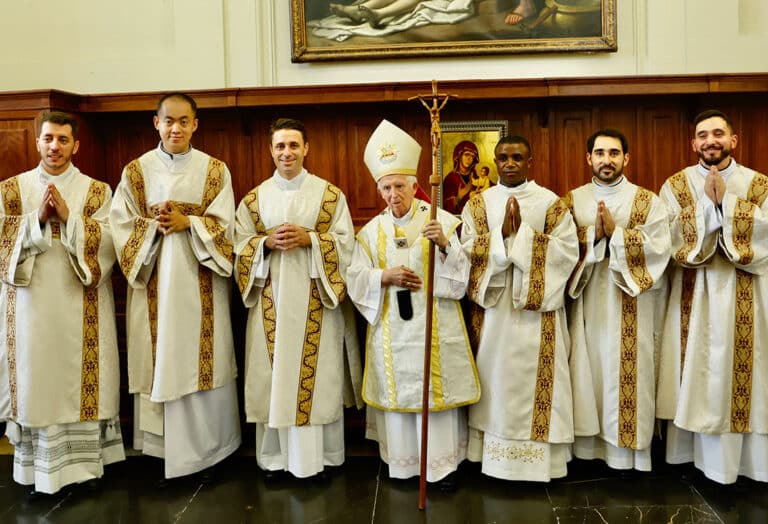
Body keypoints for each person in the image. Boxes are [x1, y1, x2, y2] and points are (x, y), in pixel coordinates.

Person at [110, 93, 241, 482]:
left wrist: (191, 225)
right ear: (156, 123)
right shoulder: (136, 172)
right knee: (159, 359)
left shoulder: (215, 171)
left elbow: (227, 229)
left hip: (201, 288)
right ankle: (160, 453)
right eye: (169, 121)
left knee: (203, 363)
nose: (176, 128)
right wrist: (154, 228)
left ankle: (209, 453)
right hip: (154, 286)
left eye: (184, 121)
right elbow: (121, 227)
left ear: (196, 124)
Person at [347, 120, 480, 488]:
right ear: (379, 189)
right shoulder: (370, 232)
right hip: (392, 328)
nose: (394, 195)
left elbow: (461, 279)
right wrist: (383, 277)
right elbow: (355, 278)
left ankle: (440, 468)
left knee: (433, 398)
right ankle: (404, 466)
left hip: (434, 328)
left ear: (414, 186)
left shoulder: (443, 222)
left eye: (400, 186)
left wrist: (445, 245)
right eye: (386, 187)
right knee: (399, 393)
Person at [0, 111, 124, 498]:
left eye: (63, 140)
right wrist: (36, 220)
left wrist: (71, 219)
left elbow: (111, 245)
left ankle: (86, 471)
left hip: (81, 302)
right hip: (30, 307)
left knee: (80, 381)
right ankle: (40, 473)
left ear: (76, 146)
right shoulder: (10, 190)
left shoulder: (97, 191)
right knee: (38, 381)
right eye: (49, 139)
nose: (55, 147)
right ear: (37, 142)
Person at [234, 118, 362, 479]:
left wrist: (312, 241)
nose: (286, 152)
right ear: (271, 150)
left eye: (293, 145)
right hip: (270, 301)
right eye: (280, 146)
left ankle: (320, 459)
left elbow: (347, 245)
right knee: (273, 379)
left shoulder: (329, 195)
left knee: (318, 378)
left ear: (306, 148)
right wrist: (264, 244)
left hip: (316, 302)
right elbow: (239, 246)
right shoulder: (254, 199)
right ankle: (275, 459)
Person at [656, 110, 768, 484]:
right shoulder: (674, 186)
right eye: (703, 135)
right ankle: (692, 456)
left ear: (734, 140)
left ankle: (750, 463)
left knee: (747, 371)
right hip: (695, 293)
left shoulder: (759, 185)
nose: (710, 141)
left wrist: (728, 207)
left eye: (718, 133)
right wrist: (707, 208)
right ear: (694, 144)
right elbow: (668, 238)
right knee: (696, 368)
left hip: (746, 293)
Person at [460, 135, 579, 481]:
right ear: (494, 162)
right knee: (494, 380)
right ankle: (492, 459)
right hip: (494, 313)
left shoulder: (550, 203)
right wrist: (500, 238)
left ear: (531, 161)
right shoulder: (477, 205)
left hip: (538, 316)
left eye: (517, 157)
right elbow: (465, 251)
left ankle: (543, 462)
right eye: (503, 158)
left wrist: (522, 238)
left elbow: (567, 253)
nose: (509, 163)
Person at [565, 129, 671, 472]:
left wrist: (618, 235)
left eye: (613, 153)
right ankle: (586, 449)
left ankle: (627, 456)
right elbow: (558, 250)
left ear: (627, 158)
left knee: (628, 371)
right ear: (588, 159)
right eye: (599, 153)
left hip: (631, 305)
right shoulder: (572, 200)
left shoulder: (646, 200)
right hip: (586, 304)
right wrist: (591, 236)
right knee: (586, 369)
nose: (606, 160)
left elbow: (660, 247)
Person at [443, 140, 479, 215]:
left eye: (472, 156)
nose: (469, 159)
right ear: (459, 156)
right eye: (466, 155)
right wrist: (459, 197)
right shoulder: (451, 178)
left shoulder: (475, 176)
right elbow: (444, 207)